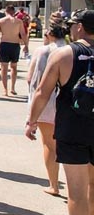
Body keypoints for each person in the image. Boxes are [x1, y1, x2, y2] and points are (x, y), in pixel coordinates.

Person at [27, 9, 94, 215]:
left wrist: (32, 121)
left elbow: (43, 91)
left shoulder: (64, 54)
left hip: (72, 127)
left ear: (79, 27)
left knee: (76, 190)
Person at [26, 23, 70, 197]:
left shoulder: (42, 51)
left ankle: (54, 184)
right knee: (67, 145)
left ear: (49, 34)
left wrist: (31, 114)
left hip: (47, 102)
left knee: (49, 145)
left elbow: (31, 79)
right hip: (67, 103)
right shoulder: (70, 50)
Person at [0, 5, 26, 95]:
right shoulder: (19, 21)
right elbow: (23, 34)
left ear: (6, 11)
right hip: (15, 45)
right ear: (14, 11)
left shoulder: (1, 21)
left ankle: (5, 90)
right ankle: (13, 88)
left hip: (5, 44)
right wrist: (26, 45)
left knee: (4, 68)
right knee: (14, 67)